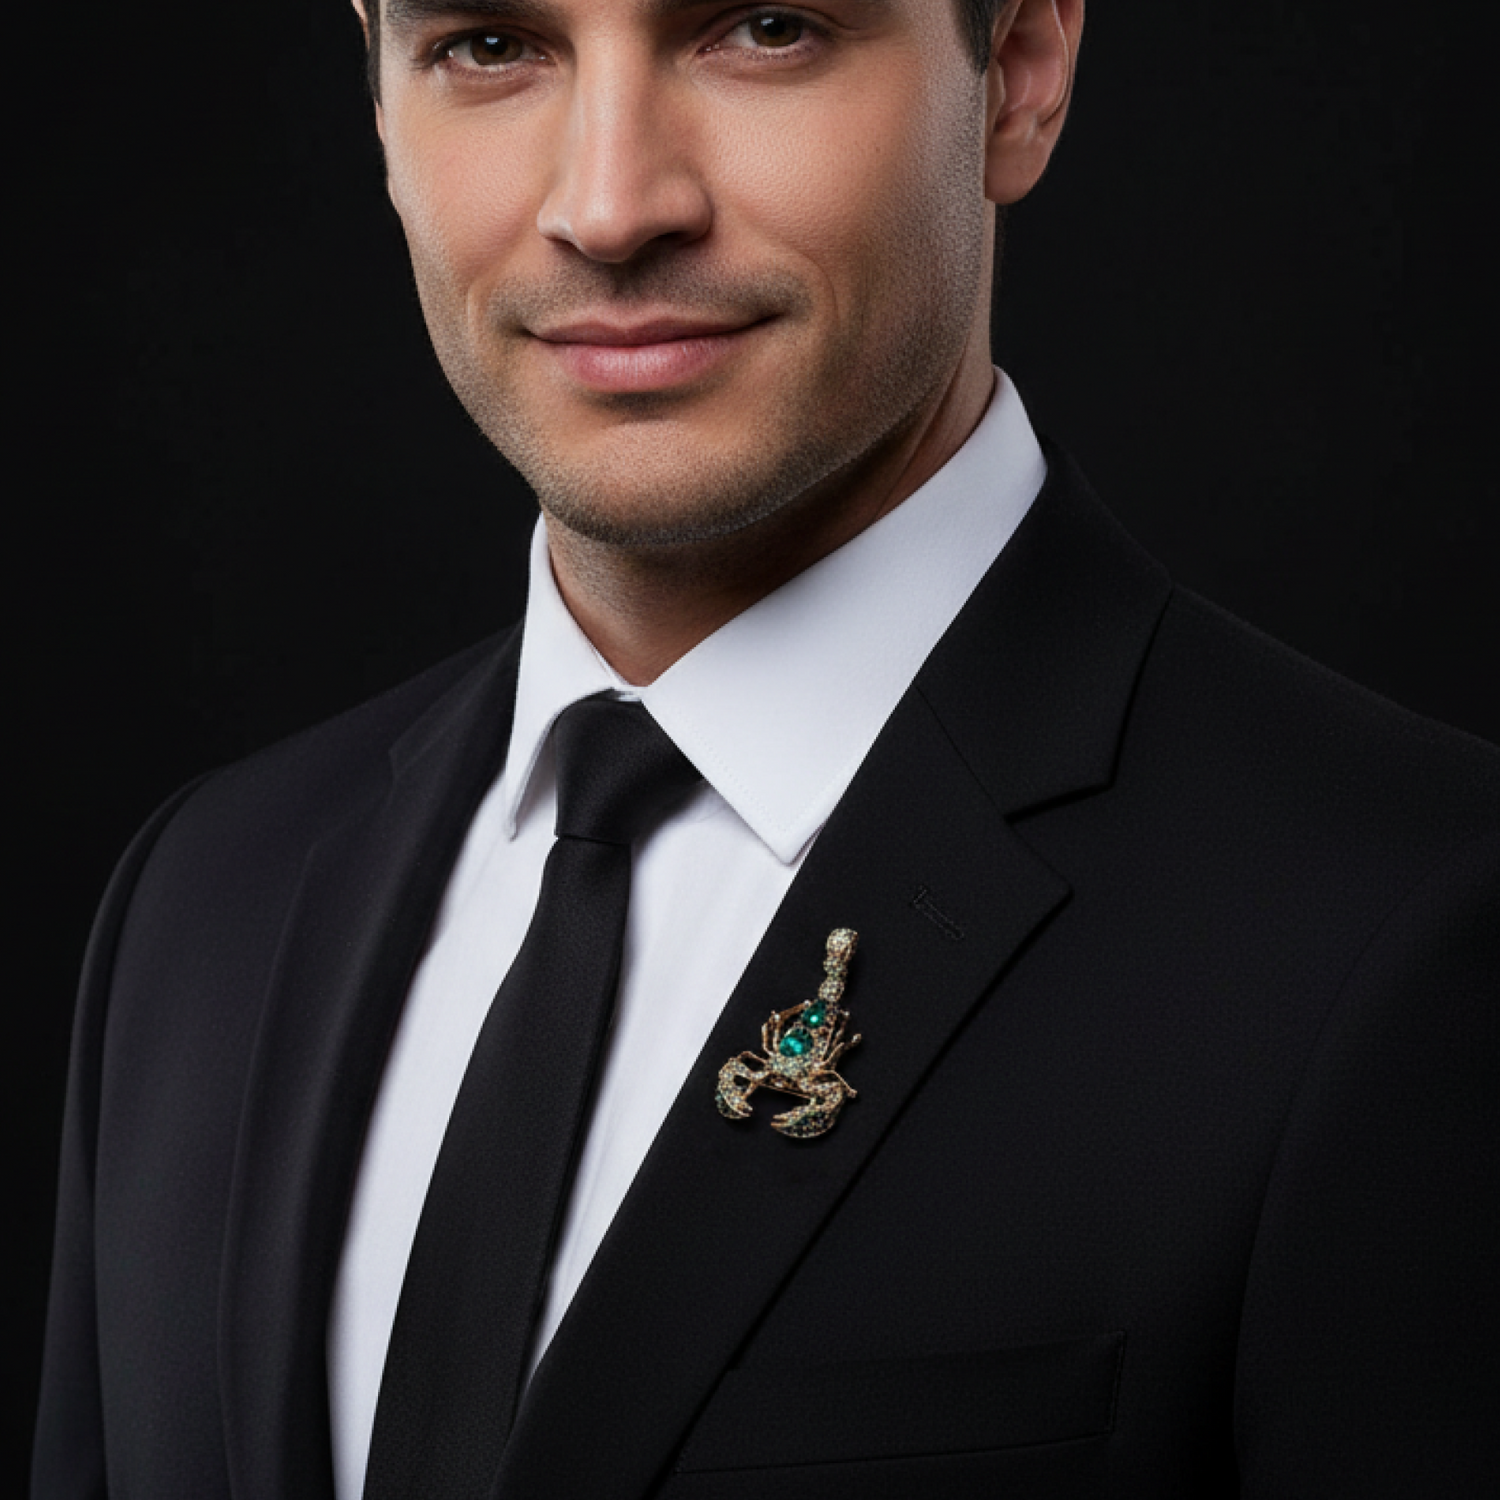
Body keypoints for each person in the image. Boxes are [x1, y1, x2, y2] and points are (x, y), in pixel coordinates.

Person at [33, 0, 1498, 1495]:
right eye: (486, 44)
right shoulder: (204, 904)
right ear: (380, 92)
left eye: (766, 29)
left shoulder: (1412, 937)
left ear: (1025, 71)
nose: (610, 207)